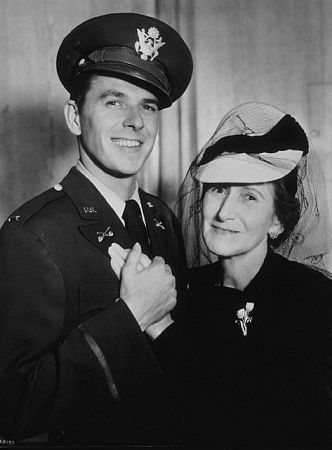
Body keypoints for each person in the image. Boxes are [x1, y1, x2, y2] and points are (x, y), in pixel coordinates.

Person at [0, 12, 192, 444]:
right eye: (114, 101)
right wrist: (131, 317)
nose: (135, 121)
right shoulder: (34, 235)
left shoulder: (162, 218)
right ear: (74, 116)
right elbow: (10, 406)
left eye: (148, 105)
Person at [111, 102, 332, 446]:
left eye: (249, 197)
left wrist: (160, 327)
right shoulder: (187, 290)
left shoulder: (313, 299)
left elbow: (255, 419)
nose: (225, 212)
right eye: (218, 189)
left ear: (277, 221)